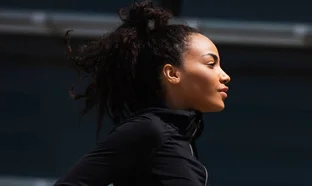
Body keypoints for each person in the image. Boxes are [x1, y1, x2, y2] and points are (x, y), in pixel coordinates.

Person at [54, 1, 230, 186]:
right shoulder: (148, 130)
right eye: (211, 64)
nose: (225, 76)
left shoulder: (179, 139)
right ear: (172, 73)